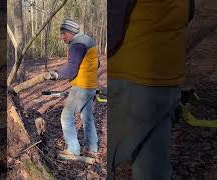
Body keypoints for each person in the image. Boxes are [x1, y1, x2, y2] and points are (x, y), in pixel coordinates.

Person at [108, 0, 194, 179]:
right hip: (166, 81)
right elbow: (189, 12)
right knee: (153, 172)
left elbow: (113, 16)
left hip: (132, 77)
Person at [48, 19, 99, 158]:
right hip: (91, 85)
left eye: (63, 33)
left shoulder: (77, 45)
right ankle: (92, 148)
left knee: (66, 117)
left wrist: (57, 74)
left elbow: (71, 69)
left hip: (81, 87)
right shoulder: (88, 40)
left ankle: (73, 150)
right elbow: (97, 63)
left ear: (70, 33)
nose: (62, 37)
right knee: (87, 117)